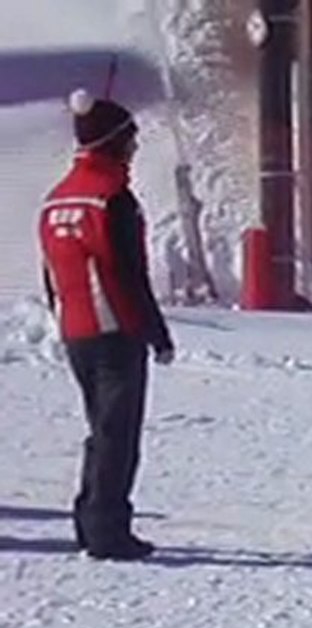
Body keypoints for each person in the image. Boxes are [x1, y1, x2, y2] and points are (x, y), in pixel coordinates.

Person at [39, 88, 175, 560]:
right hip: (117, 329)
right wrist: (157, 333)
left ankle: (88, 520)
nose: (135, 150)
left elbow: (49, 274)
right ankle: (108, 532)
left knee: (100, 430)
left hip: (75, 329)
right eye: (131, 141)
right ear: (115, 143)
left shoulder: (55, 199)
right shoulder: (112, 198)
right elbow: (128, 272)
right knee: (119, 434)